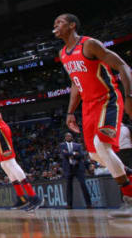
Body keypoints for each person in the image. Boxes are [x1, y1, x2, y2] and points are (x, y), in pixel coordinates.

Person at [55, 13, 132, 218]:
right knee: (96, 155)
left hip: (107, 99)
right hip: (88, 105)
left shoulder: (89, 45)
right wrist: (70, 112)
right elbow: (75, 83)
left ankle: (129, 198)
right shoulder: (63, 53)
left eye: (60, 22)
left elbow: (123, 65)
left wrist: (129, 96)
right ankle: (129, 179)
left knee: (101, 145)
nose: (55, 25)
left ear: (72, 25)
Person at [0, 82, 42, 211]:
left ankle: (34, 198)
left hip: (0, 131)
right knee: (4, 165)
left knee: (11, 163)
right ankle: (22, 199)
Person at [60, 132, 92, 209]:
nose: (68, 137)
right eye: (67, 136)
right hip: (68, 168)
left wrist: (69, 153)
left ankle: (89, 204)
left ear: (72, 137)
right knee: (69, 187)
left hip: (78, 167)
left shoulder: (78, 145)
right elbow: (64, 154)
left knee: (83, 185)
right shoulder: (62, 145)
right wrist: (74, 153)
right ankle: (69, 205)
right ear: (65, 138)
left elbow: (81, 155)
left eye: (69, 136)